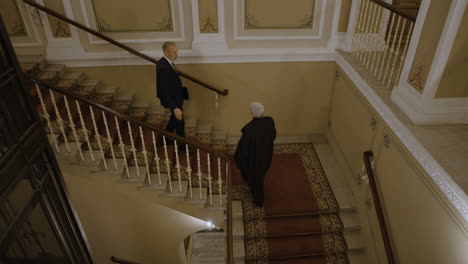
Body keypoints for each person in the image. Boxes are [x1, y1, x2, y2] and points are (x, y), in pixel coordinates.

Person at [234, 102, 276, 207]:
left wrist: (239, 160)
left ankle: (259, 200)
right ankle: (258, 195)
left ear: (252, 113)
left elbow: (243, 150)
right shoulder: (270, 121)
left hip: (254, 159)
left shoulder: (248, 130)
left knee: (255, 179)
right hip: (266, 155)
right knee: (260, 175)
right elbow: (273, 136)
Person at [156, 41, 189, 144]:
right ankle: (182, 146)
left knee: (175, 119)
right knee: (180, 122)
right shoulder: (163, 67)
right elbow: (163, 90)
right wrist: (174, 107)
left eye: (176, 51)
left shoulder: (167, 62)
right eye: (174, 52)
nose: (176, 54)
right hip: (173, 100)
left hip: (176, 98)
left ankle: (164, 139)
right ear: (166, 52)